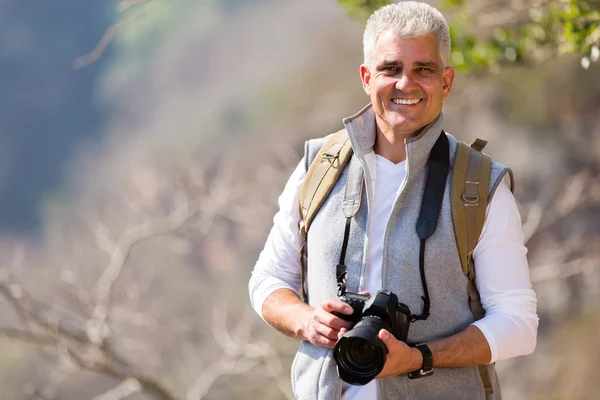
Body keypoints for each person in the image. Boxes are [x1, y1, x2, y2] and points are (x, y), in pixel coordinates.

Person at [248, 2, 538, 399]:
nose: (406, 83)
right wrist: (306, 320)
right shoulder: (317, 166)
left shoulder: (480, 186)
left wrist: (419, 357)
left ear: (446, 81)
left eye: (424, 69)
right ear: (367, 77)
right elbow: (268, 280)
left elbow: (519, 324)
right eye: (391, 68)